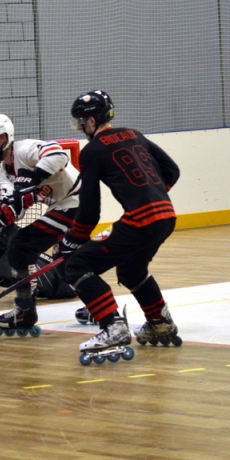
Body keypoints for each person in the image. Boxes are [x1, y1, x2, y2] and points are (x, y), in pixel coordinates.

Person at [54, 90, 181, 355]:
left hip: (141, 222)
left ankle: (113, 327)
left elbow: (90, 209)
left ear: (92, 120)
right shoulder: (135, 134)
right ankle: (160, 322)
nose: (79, 127)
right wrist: (152, 195)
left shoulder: (92, 151)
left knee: (77, 266)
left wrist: (72, 241)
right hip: (166, 217)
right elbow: (172, 170)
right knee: (132, 271)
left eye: (80, 121)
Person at [0, 113, 80, 333]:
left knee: (20, 245)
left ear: (2, 138)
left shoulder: (25, 149)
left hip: (78, 199)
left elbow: (59, 155)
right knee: (64, 262)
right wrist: (5, 212)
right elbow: (16, 210)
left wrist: (33, 179)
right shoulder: (5, 174)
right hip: (61, 205)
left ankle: (24, 309)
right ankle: (95, 306)